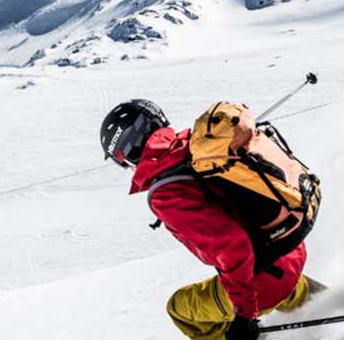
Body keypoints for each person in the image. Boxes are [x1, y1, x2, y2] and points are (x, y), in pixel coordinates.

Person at [101, 100, 312, 340]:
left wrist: (244, 315)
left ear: (128, 152)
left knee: (180, 308)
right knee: (280, 281)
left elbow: (232, 246)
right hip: (289, 248)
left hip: (265, 278)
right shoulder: (200, 147)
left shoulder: (165, 192)